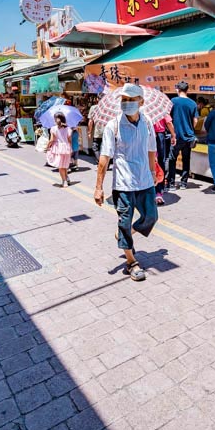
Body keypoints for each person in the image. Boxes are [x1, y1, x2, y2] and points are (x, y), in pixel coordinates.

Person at [94, 83, 159, 282]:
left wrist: (153, 170)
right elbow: (104, 158)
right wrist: (98, 187)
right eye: (124, 100)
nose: (127, 103)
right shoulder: (113, 126)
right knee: (124, 221)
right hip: (123, 184)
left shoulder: (147, 122)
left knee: (151, 217)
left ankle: (124, 234)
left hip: (145, 180)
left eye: (131, 100)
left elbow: (151, 149)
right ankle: (131, 262)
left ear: (141, 102)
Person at [167, 81, 198, 190]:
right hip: (189, 136)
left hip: (176, 135)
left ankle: (171, 184)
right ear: (187, 90)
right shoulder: (193, 103)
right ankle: (184, 183)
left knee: (172, 159)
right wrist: (190, 128)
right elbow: (195, 121)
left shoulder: (173, 101)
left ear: (177, 90)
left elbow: (168, 119)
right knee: (186, 159)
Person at [45, 112, 74, 187]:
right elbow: (70, 140)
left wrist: (47, 147)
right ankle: (67, 178)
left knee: (61, 166)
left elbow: (51, 140)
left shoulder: (53, 129)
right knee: (65, 165)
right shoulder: (68, 129)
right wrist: (70, 148)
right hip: (67, 147)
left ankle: (64, 181)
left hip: (58, 148)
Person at [153, 113, 175, 205]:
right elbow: (169, 122)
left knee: (146, 164)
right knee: (160, 164)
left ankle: (148, 192)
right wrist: (173, 135)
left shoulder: (142, 108)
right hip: (159, 136)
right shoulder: (159, 109)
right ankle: (158, 193)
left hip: (144, 136)